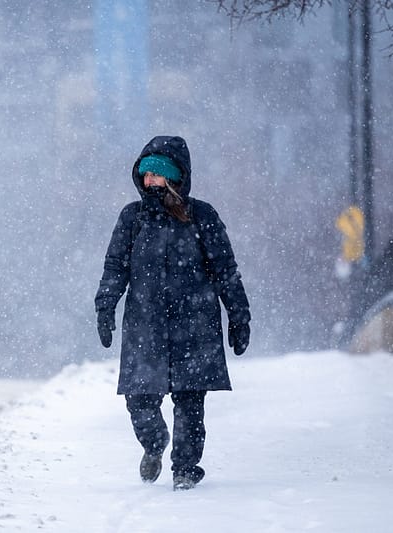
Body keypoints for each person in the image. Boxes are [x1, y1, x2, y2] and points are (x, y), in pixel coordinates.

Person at [94, 135, 251, 491]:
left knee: (190, 402)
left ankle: (185, 469)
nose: (149, 180)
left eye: (157, 174)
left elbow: (226, 271)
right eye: (145, 173)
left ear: (176, 177)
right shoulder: (132, 218)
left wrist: (239, 315)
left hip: (194, 324)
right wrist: (105, 306)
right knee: (139, 399)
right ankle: (153, 443)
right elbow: (115, 267)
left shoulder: (202, 216)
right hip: (144, 325)